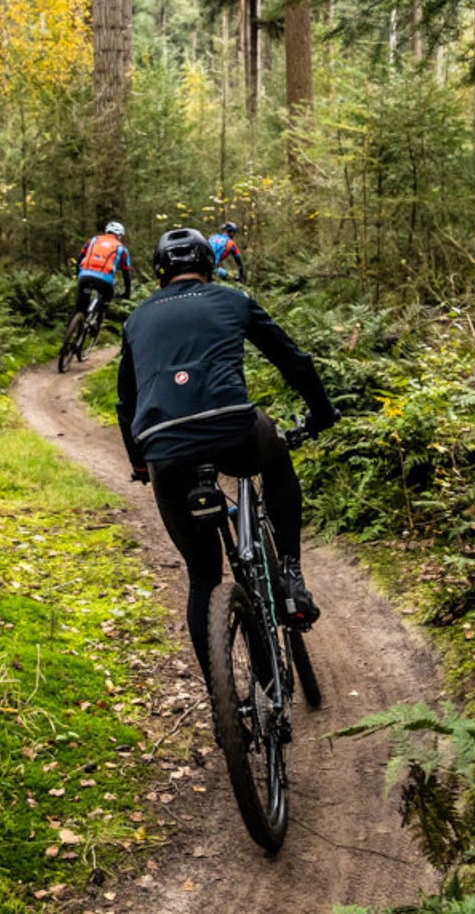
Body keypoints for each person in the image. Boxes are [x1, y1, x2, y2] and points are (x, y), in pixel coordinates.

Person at [114, 228, 339, 674]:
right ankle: (290, 573)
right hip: (233, 432)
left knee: (202, 579)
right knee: (274, 452)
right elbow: (292, 360)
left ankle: (223, 705)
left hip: (166, 450)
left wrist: (139, 461)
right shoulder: (232, 299)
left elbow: (126, 401)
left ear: (158, 274)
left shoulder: (136, 319)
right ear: (210, 264)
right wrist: (321, 413)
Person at [71, 221, 133, 329]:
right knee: (105, 301)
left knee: (79, 307)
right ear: (119, 235)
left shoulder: (94, 240)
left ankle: (67, 340)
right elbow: (126, 272)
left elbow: (80, 256)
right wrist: (127, 292)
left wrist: (77, 273)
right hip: (104, 280)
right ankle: (97, 323)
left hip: (84, 276)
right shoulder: (122, 248)